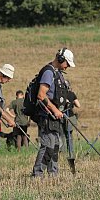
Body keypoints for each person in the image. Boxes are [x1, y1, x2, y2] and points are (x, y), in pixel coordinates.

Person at [32, 48, 76, 177]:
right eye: (67, 63)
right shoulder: (48, 72)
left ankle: (53, 174)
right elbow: (41, 95)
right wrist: (55, 109)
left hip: (55, 116)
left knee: (56, 146)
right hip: (47, 116)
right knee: (47, 146)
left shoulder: (58, 73)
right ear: (60, 59)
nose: (67, 67)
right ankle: (37, 175)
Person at [60, 80, 81, 152]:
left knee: (61, 134)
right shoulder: (71, 94)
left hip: (61, 115)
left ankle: (62, 152)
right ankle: (71, 152)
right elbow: (78, 105)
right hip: (70, 116)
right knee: (69, 135)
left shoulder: (60, 94)